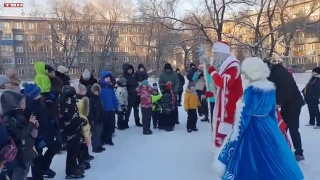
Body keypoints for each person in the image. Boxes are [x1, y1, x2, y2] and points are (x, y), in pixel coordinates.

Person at [213, 57, 304, 180]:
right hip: (268, 125)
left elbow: (245, 114)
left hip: (252, 127)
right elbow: (272, 112)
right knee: (274, 156)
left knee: (249, 159)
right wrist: (274, 130)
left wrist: (236, 136)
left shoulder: (251, 90)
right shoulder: (271, 87)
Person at [265, 60, 305, 161]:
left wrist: (277, 103)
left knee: (292, 128)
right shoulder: (275, 71)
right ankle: (282, 149)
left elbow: (284, 90)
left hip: (293, 104)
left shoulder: (279, 72)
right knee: (282, 127)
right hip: (287, 104)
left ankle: (299, 153)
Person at [205, 41, 243, 148]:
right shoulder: (225, 67)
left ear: (222, 54)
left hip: (231, 105)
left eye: (216, 55)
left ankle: (226, 153)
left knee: (228, 130)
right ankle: (221, 151)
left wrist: (212, 72)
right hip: (225, 104)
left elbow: (224, 83)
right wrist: (212, 93)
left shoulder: (232, 67)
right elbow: (221, 88)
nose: (214, 58)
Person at [1, 90, 39, 180]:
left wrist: (33, 125)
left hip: (26, 150)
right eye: (21, 102)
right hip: (20, 153)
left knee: (24, 171)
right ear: (13, 104)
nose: (24, 104)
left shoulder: (18, 114)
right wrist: (30, 125)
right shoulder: (8, 119)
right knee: (20, 173)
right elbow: (18, 134)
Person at [23, 83, 58, 179]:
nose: (40, 95)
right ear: (32, 96)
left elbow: (44, 116)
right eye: (37, 94)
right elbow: (33, 121)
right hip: (37, 136)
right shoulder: (30, 107)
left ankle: (43, 169)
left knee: (52, 148)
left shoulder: (38, 102)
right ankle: (39, 175)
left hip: (45, 133)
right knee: (37, 158)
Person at [58, 85, 85, 179]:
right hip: (69, 131)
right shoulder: (64, 104)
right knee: (72, 152)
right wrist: (79, 121)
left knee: (75, 149)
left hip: (74, 129)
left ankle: (74, 167)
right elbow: (68, 118)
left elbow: (74, 114)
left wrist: (80, 120)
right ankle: (70, 172)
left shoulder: (70, 102)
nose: (74, 96)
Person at [99, 71, 119, 146]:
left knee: (110, 126)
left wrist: (116, 106)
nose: (108, 79)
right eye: (106, 78)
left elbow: (114, 98)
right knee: (104, 126)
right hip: (103, 110)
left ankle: (109, 139)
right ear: (103, 79)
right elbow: (99, 99)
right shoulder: (100, 88)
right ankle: (102, 140)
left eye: (109, 78)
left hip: (110, 109)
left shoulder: (110, 88)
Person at [75, 84, 92, 170]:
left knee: (85, 140)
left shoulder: (83, 99)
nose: (86, 92)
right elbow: (84, 112)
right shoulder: (79, 100)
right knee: (82, 142)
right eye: (84, 90)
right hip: (81, 122)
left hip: (84, 122)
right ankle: (82, 158)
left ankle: (85, 156)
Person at [87, 84, 105, 153]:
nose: (96, 92)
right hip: (95, 118)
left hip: (100, 117)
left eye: (97, 91)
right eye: (95, 91)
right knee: (95, 133)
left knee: (100, 132)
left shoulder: (98, 98)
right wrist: (92, 119)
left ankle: (99, 145)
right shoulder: (92, 99)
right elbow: (91, 110)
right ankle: (95, 146)